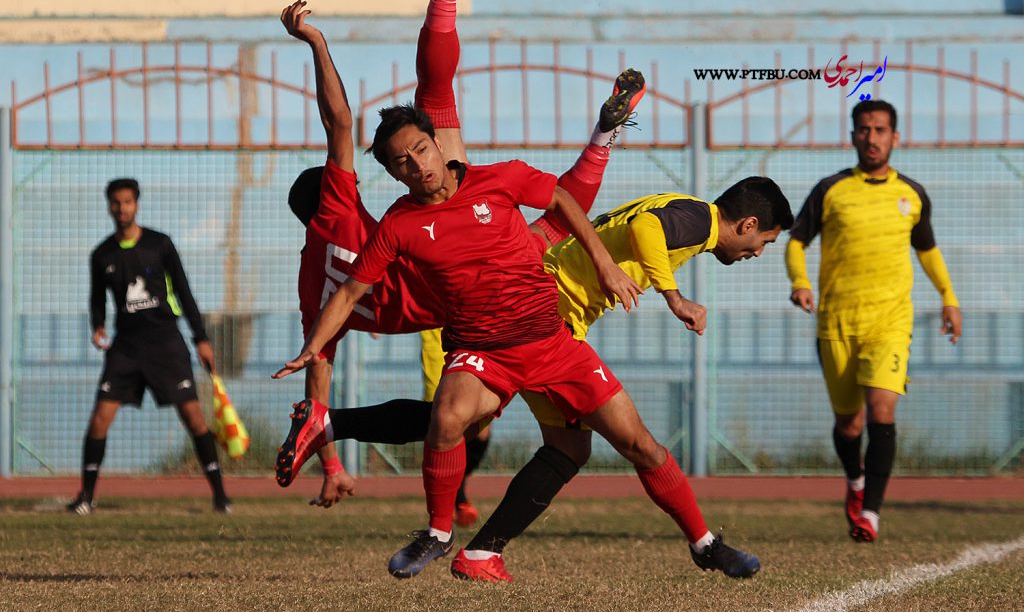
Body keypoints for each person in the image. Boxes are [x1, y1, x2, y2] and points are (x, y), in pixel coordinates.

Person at [274, 105, 770, 585]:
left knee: (636, 444)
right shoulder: (400, 225)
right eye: (401, 162)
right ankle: (438, 533)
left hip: (552, 341)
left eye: (421, 149)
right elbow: (350, 292)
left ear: (437, 145)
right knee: (449, 418)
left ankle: (705, 544)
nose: (417, 165)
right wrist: (311, 348)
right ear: (393, 173)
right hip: (483, 351)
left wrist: (604, 264)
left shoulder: (500, 178)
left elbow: (562, 200)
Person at [280, 0, 646, 513]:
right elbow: (340, 123)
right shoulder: (340, 206)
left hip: (464, 307)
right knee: (447, 107)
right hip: (475, 297)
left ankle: (602, 134)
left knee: (452, 417)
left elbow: (319, 364)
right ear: (326, 193)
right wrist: (317, 44)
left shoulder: (311, 284)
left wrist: (328, 461)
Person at [786, 99, 963, 542]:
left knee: (881, 410)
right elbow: (796, 241)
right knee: (849, 424)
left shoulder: (913, 194)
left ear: (895, 137)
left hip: (890, 320)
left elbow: (928, 251)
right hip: (837, 322)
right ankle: (856, 480)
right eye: (864, 129)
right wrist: (800, 282)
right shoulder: (830, 189)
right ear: (852, 136)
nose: (872, 137)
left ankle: (872, 514)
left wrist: (949, 298)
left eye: (881, 130)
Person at [68, 178, 230, 514]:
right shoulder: (102, 254)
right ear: (109, 205)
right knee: (100, 417)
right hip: (126, 347)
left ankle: (220, 496)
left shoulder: (160, 245)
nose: (122, 208)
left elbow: (184, 293)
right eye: (116, 202)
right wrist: (97, 324)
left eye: (128, 201)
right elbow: (97, 298)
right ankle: (86, 497)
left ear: (136, 204)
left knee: (194, 418)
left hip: (165, 343)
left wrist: (201, 338)